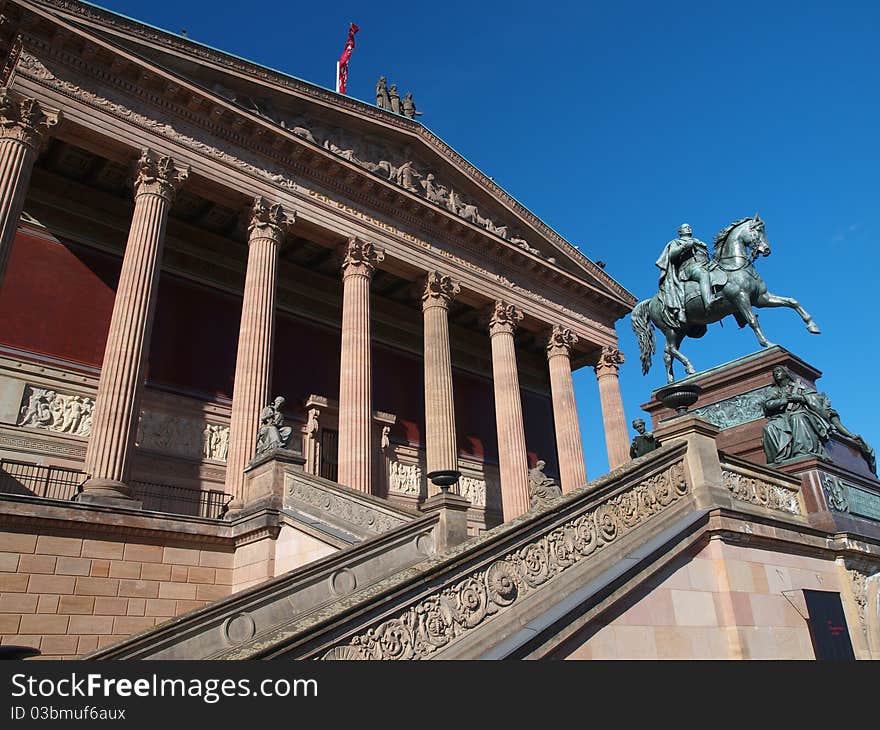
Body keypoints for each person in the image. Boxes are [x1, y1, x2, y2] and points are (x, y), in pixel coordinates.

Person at [761, 366, 832, 464]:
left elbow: (815, 399)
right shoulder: (775, 390)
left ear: (786, 373)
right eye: (774, 373)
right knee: (769, 427)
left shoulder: (799, 386)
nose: (776, 374)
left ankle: (802, 451)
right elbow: (768, 404)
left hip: (802, 413)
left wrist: (800, 398)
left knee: (797, 418)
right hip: (782, 417)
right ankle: (779, 458)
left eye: (778, 371)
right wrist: (784, 400)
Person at [655, 223, 717, 323]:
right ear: (680, 232)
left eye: (689, 227)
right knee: (703, 275)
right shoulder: (676, 242)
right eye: (685, 227)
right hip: (689, 268)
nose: (688, 228)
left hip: (705, 265)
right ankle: (708, 302)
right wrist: (684, 247)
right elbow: (671, 255)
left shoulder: (698, 241)